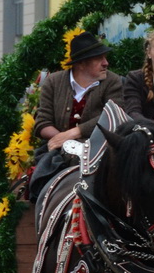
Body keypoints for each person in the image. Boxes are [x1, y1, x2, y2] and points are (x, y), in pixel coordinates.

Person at [30, 32, 124, 199]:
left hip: (100, 154)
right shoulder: (54, 82)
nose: (106, 63)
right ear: (81, 63)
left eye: (105, 57)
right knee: (41, 182)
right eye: (99, 58)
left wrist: (72, 134)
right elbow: (42, 123)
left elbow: (112, 115)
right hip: (58, 156)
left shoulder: (112, 81)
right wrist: (63, 142)